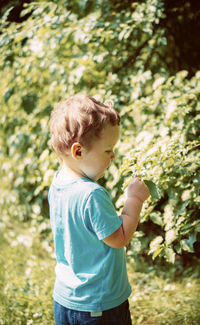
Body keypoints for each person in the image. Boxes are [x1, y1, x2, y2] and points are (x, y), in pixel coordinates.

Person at [48, 93, 150, 325]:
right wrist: (134, 199)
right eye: (108, 150)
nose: (113, 155)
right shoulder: (92, 194)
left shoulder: (57, 184)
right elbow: (119, 238)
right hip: (99, 305)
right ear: (78, 151)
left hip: (65, 300)